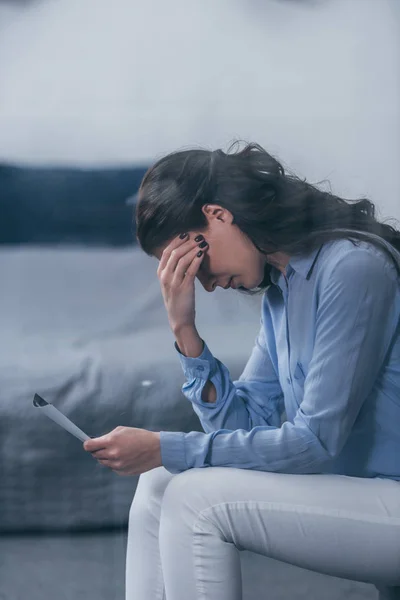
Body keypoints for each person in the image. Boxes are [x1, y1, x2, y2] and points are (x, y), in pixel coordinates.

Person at [84, 143, 400, 600]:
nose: (206, 284)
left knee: (194, 501)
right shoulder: (281, 293)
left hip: (389, 494)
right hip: (362, 494)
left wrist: (165, 446)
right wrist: (185, 329)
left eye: (196, 262)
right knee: (159, 482)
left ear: (218, 215)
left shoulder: (352, 268)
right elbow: (244, 428)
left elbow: (313, 442)